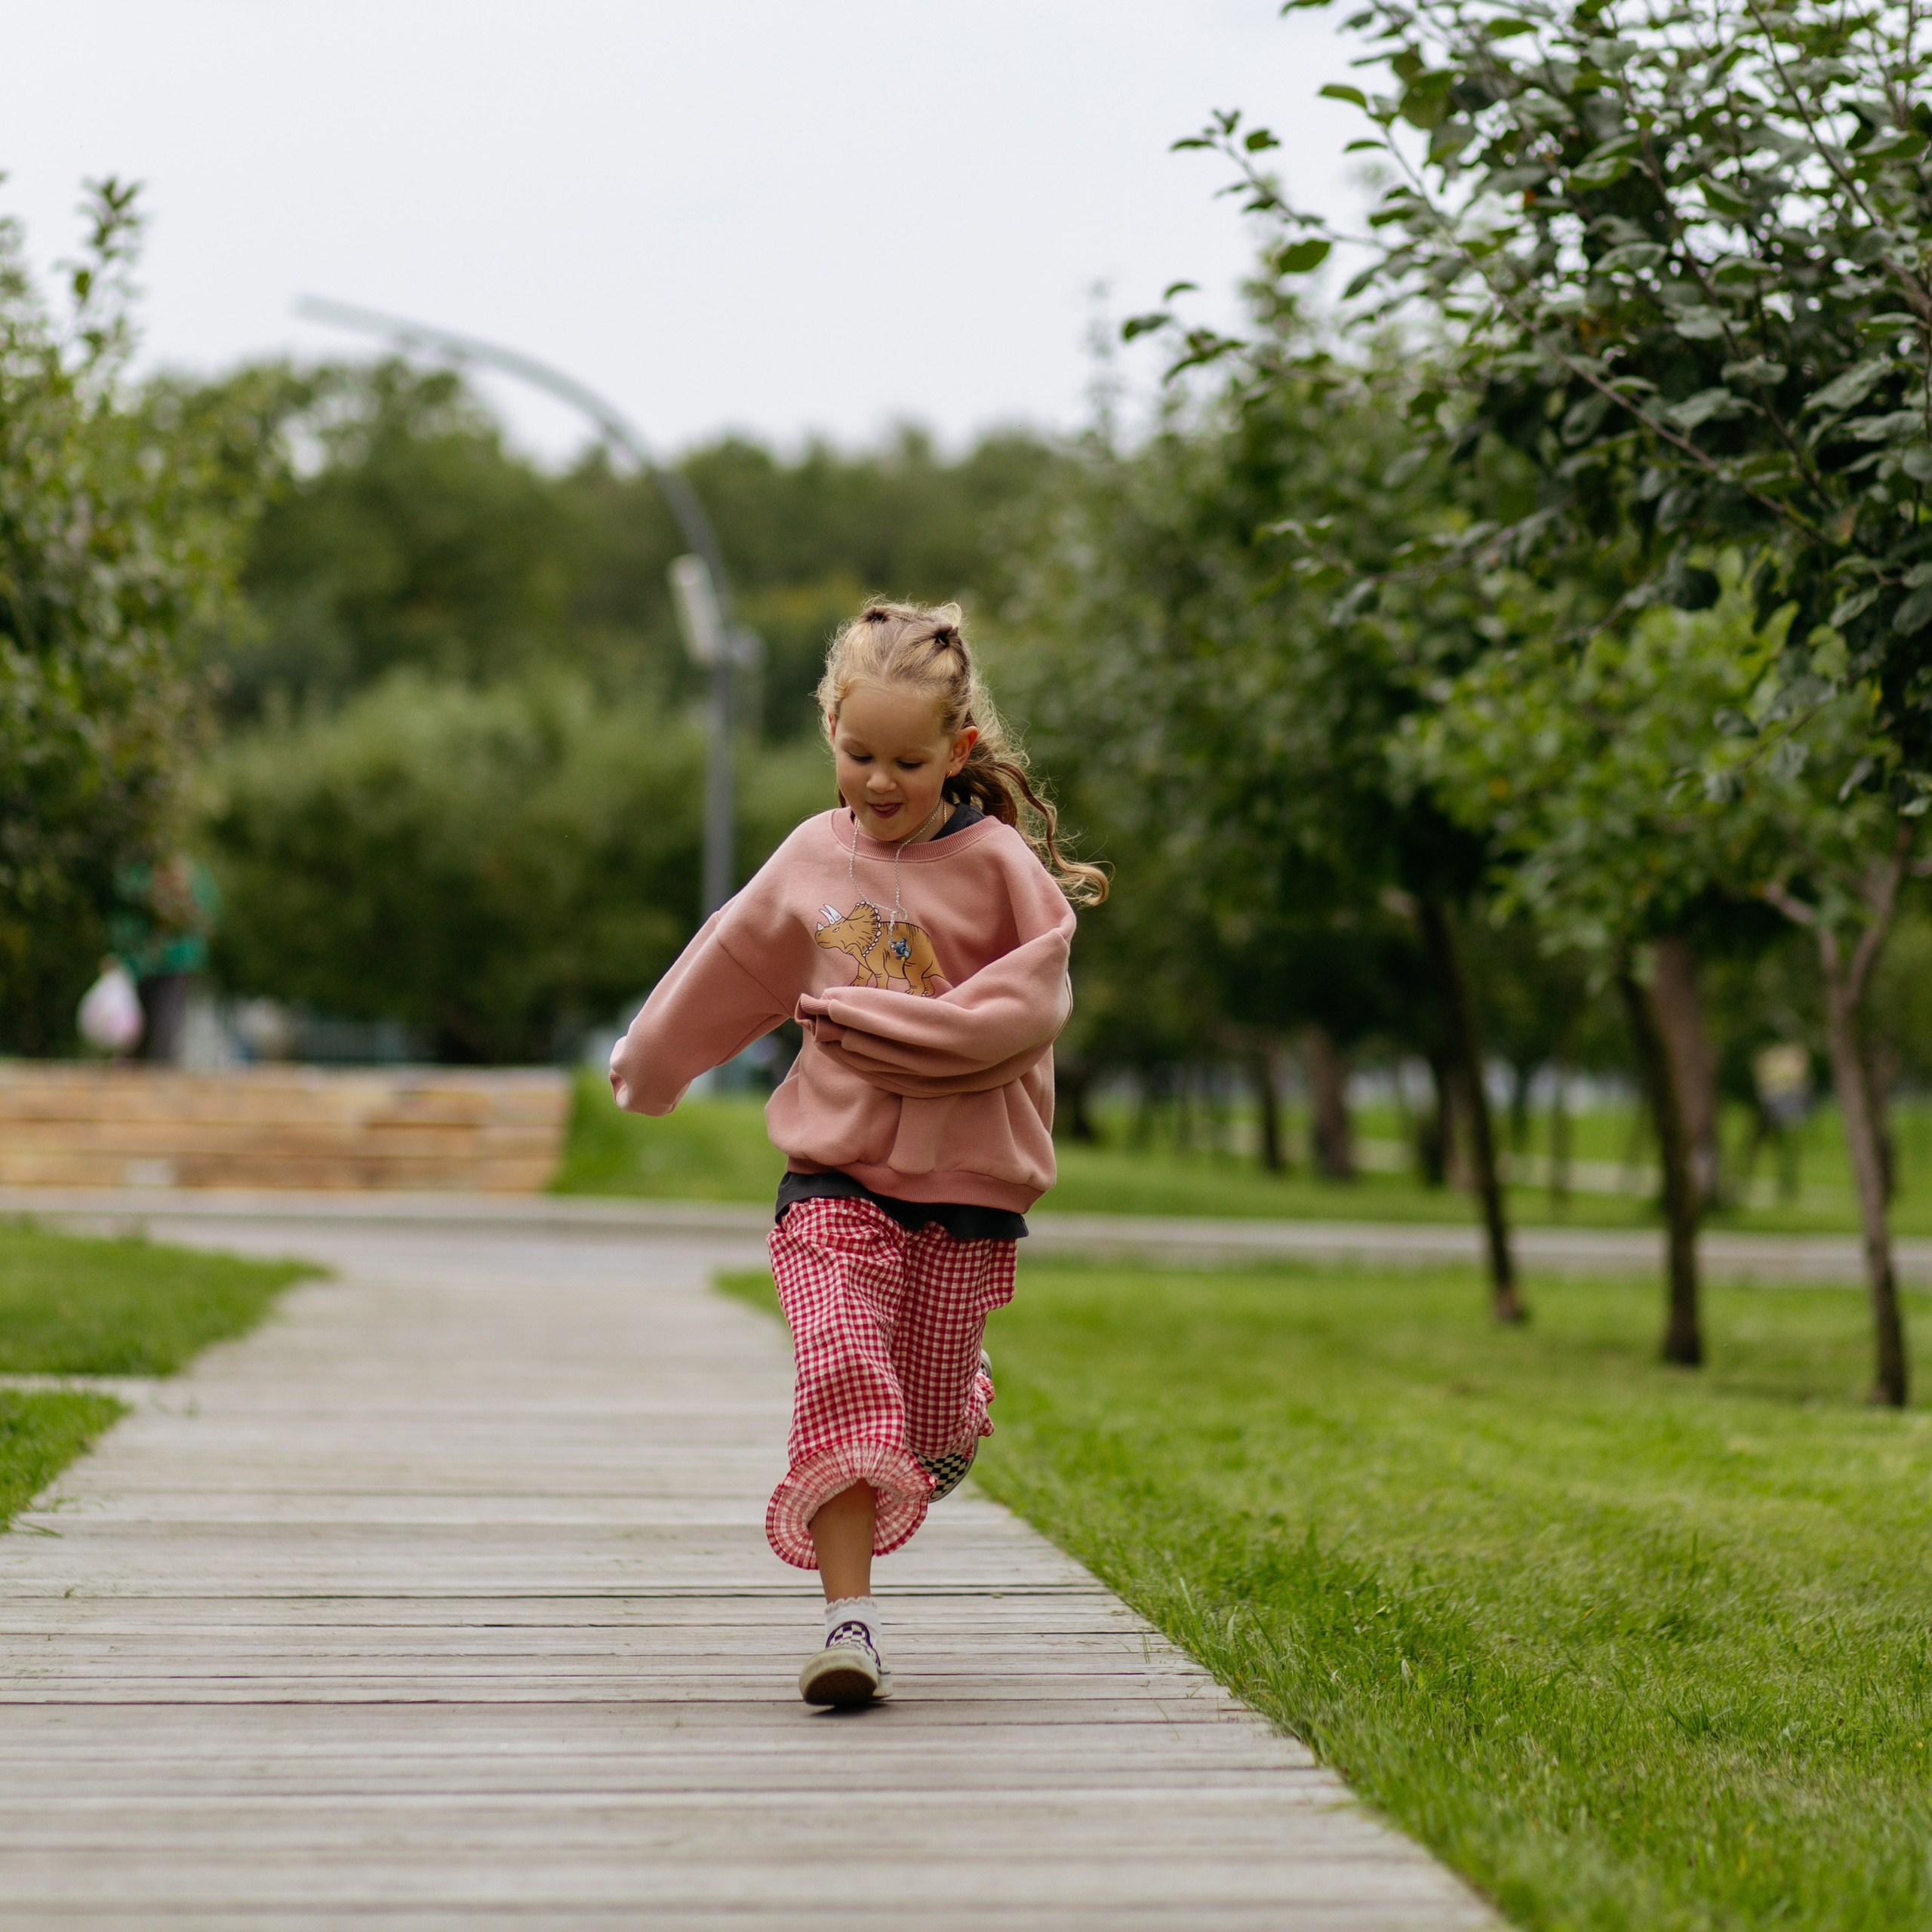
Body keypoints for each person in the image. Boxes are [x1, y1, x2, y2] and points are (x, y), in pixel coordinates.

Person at [609, 600, 1107, 1707]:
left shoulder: (998, 869)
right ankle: (850, 1625)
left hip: (966, 1190)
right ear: (830, 731)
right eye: (858, 754)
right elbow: (728, 966)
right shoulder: (812, 856)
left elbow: (1029, 1005)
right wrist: (650, 1067)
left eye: (909, 762)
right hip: (832, 1176)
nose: (880, 783)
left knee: (919, 1434)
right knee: (839, 1371)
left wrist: (891, 1027)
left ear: (959, 754)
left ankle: (954, 1404)